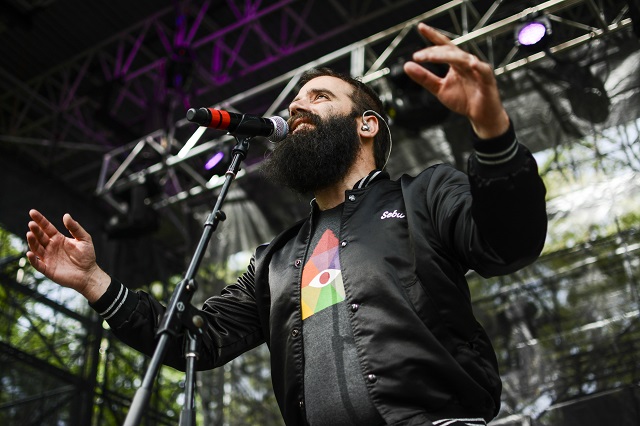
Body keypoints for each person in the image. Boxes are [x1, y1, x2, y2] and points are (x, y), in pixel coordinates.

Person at [26, 24, 547, 426]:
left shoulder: (424, 194)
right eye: (296, 99)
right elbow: (199, 341)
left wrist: (492, 131)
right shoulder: (275, 260)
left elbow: (509, 245)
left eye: (320, 96)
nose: (297, 104)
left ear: (366, 124)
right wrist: (94, 282)